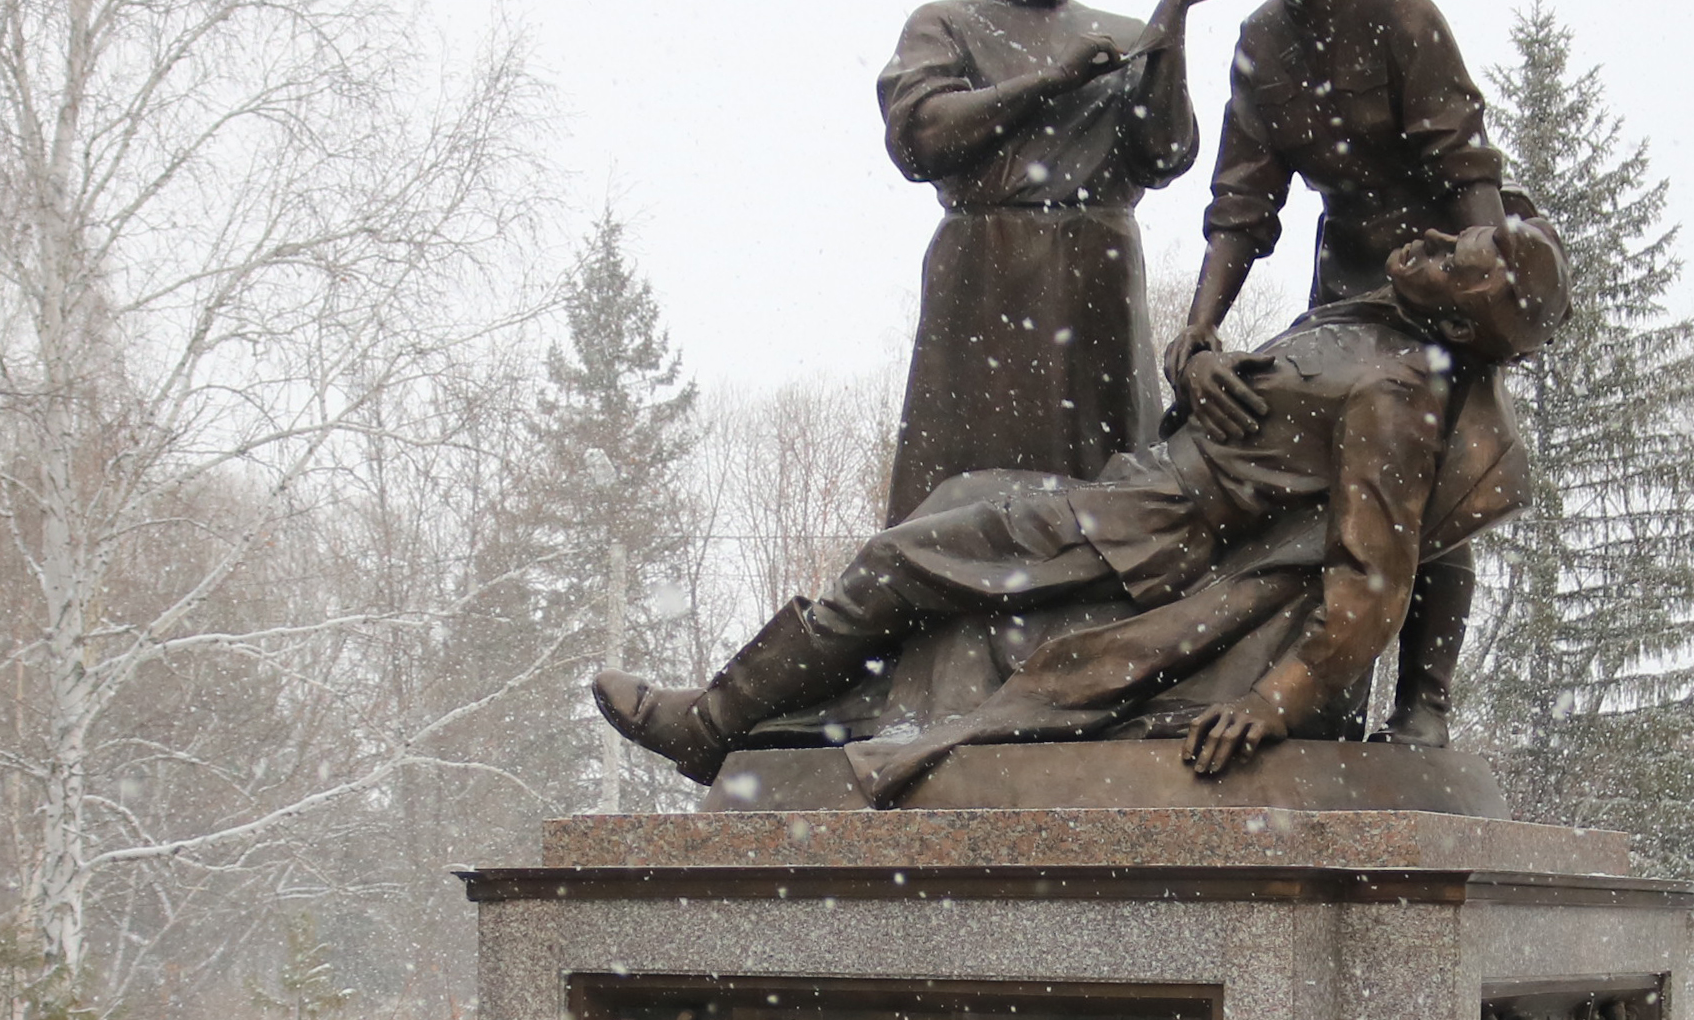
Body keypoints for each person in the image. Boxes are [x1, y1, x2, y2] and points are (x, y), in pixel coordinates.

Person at [595, 215, 1565, 802]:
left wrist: (1274, 704)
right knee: (954, 504)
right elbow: (1250, 407)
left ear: (1462, 315)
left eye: (1463, 260)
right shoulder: (1370, 323)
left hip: (1148, 533)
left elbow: (1372, 582)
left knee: (898, 560)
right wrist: (1199, 357)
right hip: (1133, 487)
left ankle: (713, 724)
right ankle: (797, 720)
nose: (1437, 245)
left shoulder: (1396, 398)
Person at [1175, 0, 1509, 745]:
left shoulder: (1402, 16)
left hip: (1438, 275)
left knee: (1428, 471)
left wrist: (1478, 300)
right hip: (1342, 288)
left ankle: (1424, 702)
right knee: (1308, 468)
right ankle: (1322, 695)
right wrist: (1198, 333)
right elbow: (1241, 210)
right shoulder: (1260, 42)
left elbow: (1468, 172)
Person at [877, 0, 1205, 520]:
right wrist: (1050, 81)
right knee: (965, 496)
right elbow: (920, 136)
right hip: (990, 276)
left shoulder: (1119, 34)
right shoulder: (946, 24)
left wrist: (1168, 42)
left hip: (1099, 281)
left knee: (1111, 495)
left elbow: (1166, 156)